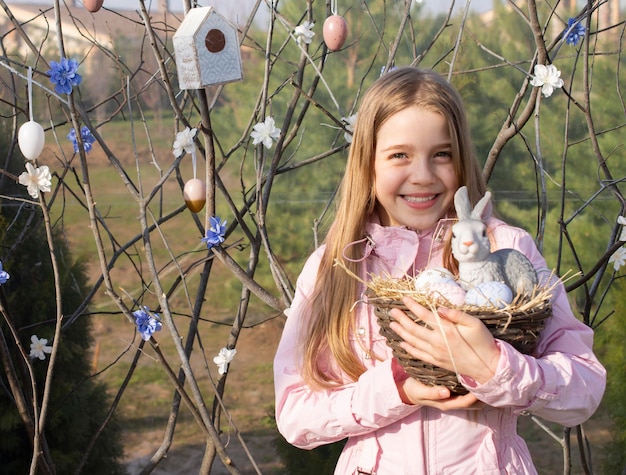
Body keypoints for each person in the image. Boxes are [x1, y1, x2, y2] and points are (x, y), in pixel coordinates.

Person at [273, 67, 606, 474]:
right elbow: (294, 414)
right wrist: (396, 388)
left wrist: (497, 369)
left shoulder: (506, 250)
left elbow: (584, 389)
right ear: (368, 163)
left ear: (461, 159)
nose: (423, 176)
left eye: (441, 154)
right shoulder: (337, 267)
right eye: (400, 155)